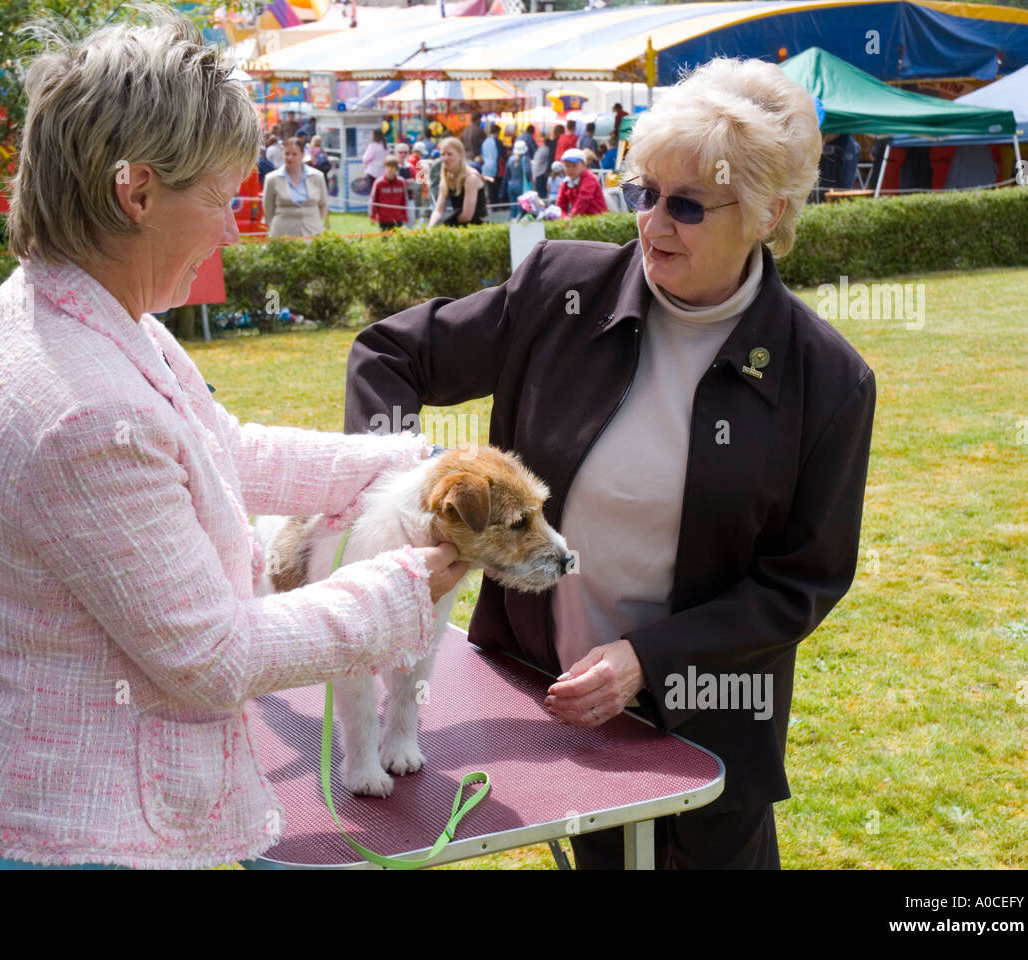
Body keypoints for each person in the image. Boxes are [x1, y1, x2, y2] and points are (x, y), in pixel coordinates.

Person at [0, 5, 470, 871]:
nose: (230, 228)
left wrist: (411, 461)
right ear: (135, 192)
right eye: (221, 198)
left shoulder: (82, 311)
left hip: (46, 806)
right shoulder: (85, 406)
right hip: (70, 840)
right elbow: (211, 656)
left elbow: (225, 449)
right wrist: (405, 587)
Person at [343, 55, 876, 870]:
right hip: (542, 706)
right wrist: (401, 504)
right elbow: (388, 356)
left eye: (688, 205)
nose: (653, 225)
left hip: (710, 729)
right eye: (643, 193)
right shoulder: (560, 288)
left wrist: (647, 662)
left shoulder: (829, 381)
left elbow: (801, 583)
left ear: (769, 213)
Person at [263, 137, 330, 237]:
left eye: (294, 154)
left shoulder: (317, 176)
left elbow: (323, 204)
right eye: (287, 154)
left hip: (312, 231)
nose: (290, 157)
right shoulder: (271, 179)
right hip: (282, 233)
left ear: (302, 155)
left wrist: (312, 219)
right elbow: (268, 208)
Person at [428, 136, 486, 227]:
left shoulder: (471, 177)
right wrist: (430, 228)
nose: (445, 158)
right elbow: (438, 210)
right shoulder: (446, 176)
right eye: (442, 154)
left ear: (461, 155)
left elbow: (467, 216)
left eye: (449, 154)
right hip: (459, 224)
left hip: (475, 226)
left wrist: (446, 224)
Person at [556, 148, 607, 217]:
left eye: (574, 165)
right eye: (567, 166)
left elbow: (583, 201)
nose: (570, 169)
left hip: (597, 220)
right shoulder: (565, 182)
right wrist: (564, 218)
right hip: (580, 220)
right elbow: (560, 206)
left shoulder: (590, 179)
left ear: (584, 164)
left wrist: (571, 220)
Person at [369, 156, 409, 231]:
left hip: (398, 217)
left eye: (392, 167)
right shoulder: (379, 182)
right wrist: (372, 216)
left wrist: (405, 216)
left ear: (396, 168)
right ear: (384, 167)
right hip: (384, 218)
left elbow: (405, 200)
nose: (390, 169)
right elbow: (373, 200)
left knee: (398, 240)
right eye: (388, 167)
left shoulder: (401, 182)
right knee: (384, 240)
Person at [504, 139, 534, 208]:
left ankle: (512, 218)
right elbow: (527, 172)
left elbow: (507, 173)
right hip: (522, 186)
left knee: (513, 207)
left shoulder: (510, 159)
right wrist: (530, 181)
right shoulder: (525, 159)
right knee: (521, 207)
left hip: (511, 185)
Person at [480, 122, 502, 209]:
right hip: (495, 168)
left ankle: (492, 206)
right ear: (497, 132)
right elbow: (501, 154)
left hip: (486, 168)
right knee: (496, 189)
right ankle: (496, 207)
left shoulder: (485, 141)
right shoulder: (497, 142)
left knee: (490, 189)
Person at [531, 132, 552, 198]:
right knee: (542, 192)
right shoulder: (548, 150)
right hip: (541, 172)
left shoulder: (540, 148)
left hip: (536, 171)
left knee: (538, 191)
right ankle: (542, 206)